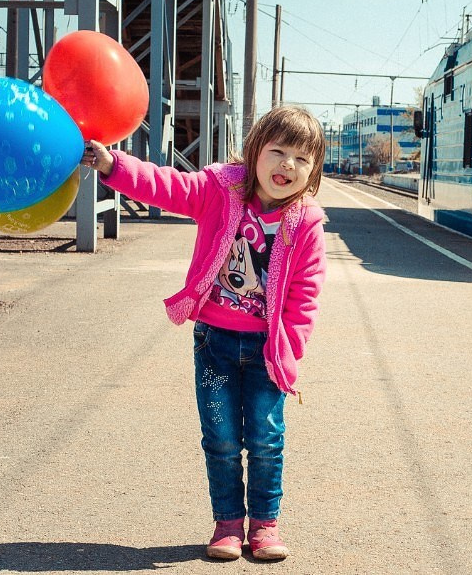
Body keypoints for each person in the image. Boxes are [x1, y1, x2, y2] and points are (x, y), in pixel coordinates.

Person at [81, 105, 328, 561]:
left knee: (266, 439)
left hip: (267, 352)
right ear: (254, 153)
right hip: (214, 342)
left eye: (301, 158)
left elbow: (304, 298)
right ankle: (228, 525)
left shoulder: (306, 224)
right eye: (277, 152)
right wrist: (114, 164)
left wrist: (287, 351)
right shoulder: (220, 190)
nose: (287, 166)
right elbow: (166, 186)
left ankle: (265, 526)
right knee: (220, 438)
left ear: (312, 172)